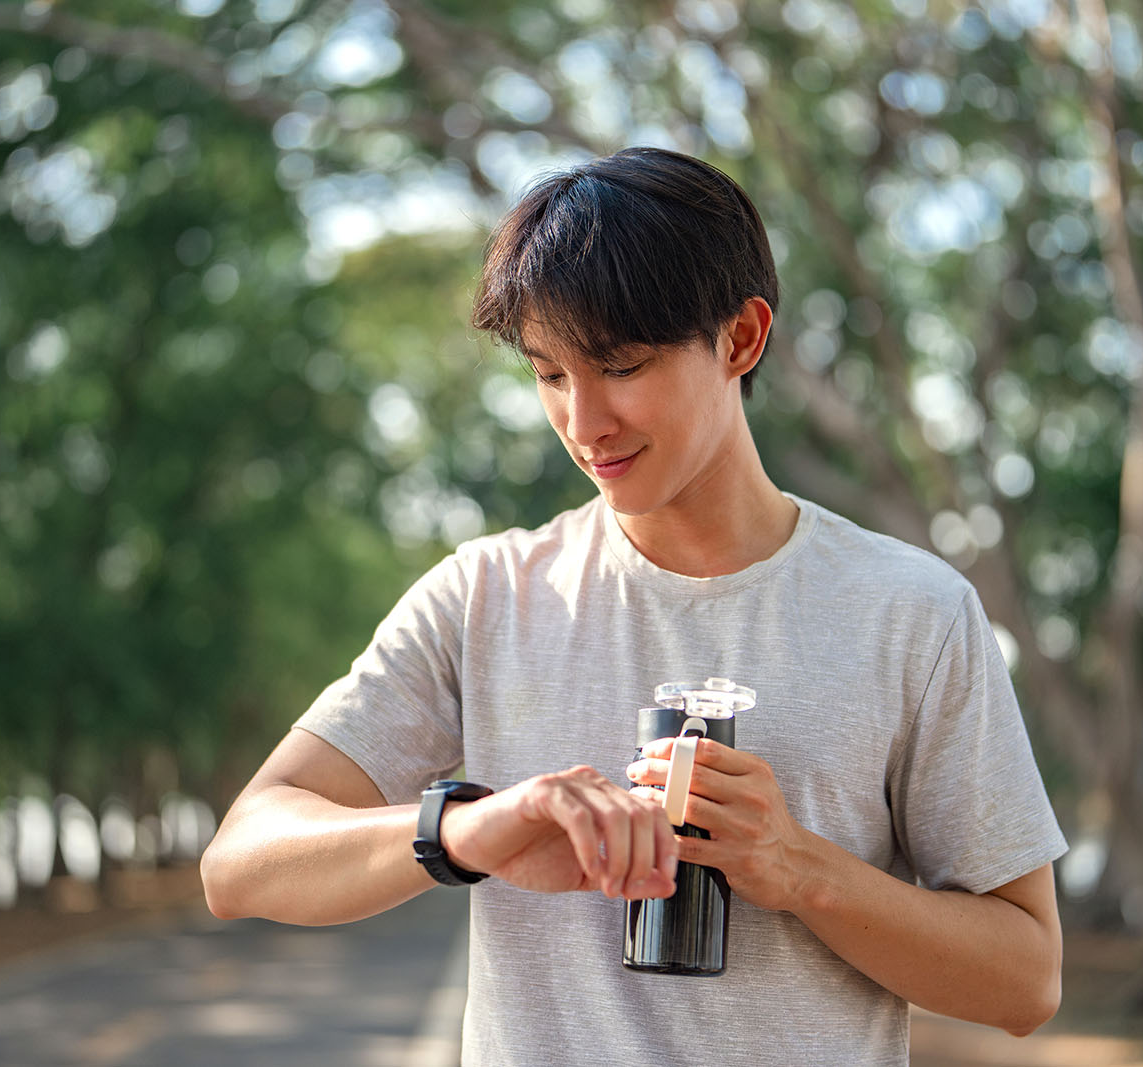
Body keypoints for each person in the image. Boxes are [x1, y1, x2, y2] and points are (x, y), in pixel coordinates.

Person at [201, 146, 1067, 1065]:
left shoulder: (914, 615)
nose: (583, 422)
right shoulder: (485, 597)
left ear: (741, 338)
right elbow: (241, 861)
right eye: (548, 374)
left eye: (619, 365)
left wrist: (799, 868)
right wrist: (466, 829)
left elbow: (1026, 980)